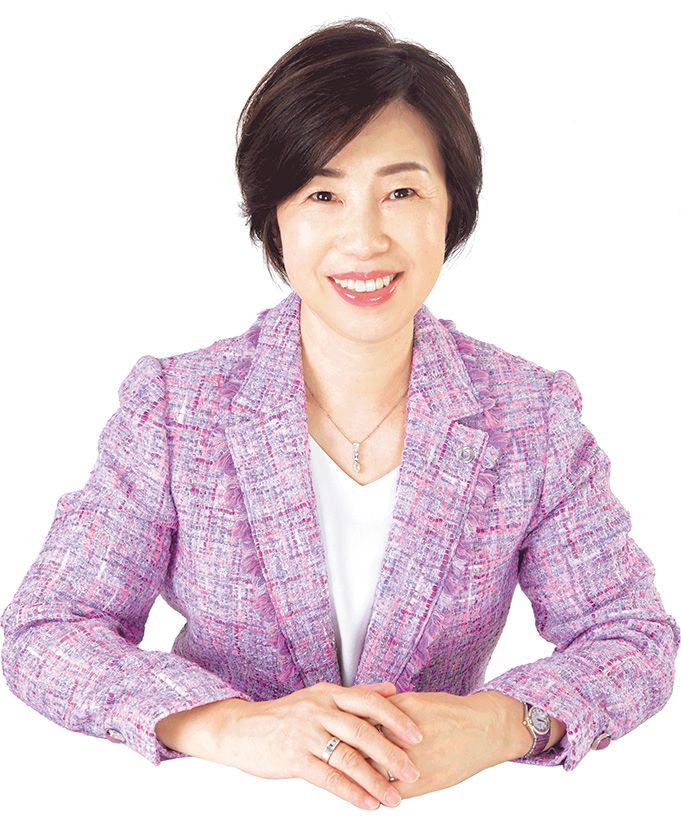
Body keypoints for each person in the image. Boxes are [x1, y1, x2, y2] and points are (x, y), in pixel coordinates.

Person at [1, 16, 679, 811]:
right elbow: (47, 628)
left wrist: (501, 723)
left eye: (401, 192)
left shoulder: (529, 415)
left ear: (451, 210)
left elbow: (629, 636)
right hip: (215, 807)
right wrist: (230, 726)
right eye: (323, 194)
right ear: (275, 217)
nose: (363, 238)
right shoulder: (176, 407)